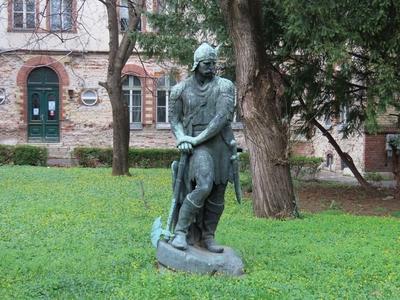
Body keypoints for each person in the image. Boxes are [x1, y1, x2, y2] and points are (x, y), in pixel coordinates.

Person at [169, 43, 236, 253]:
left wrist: (195, 139)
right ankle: (181, 232)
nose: (211, 67)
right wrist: (182, 138)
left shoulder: (225, 86)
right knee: (205, 185)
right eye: (207, 63)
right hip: (197, 148)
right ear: (196, 64)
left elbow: (221, 118)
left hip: (220, 144)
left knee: (218, 192)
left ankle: (209, 236)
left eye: (213, 63)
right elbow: (174, 120)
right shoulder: (179, 89)